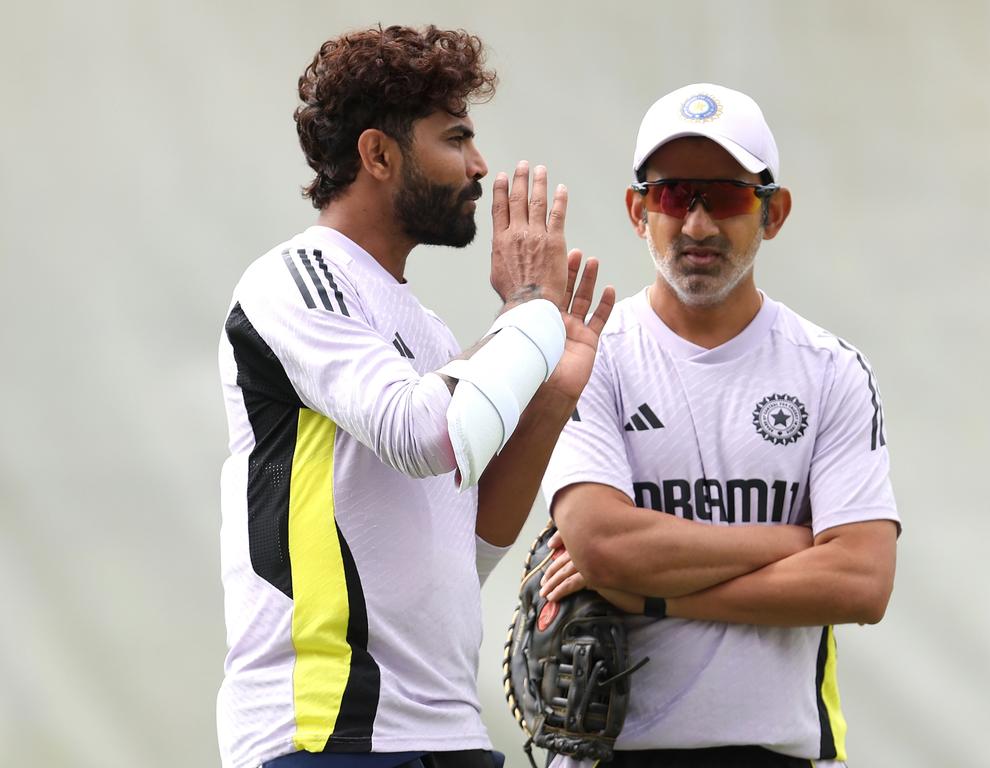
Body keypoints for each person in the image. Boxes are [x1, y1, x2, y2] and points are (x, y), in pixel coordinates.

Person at [216, 25, 614, 768]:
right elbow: (423, 435)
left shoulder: (428, 336)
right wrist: (527, 306)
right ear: (378, 154)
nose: (479, 164)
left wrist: (550, 405)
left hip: (447, 735)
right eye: (455, 137)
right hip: (327, 734)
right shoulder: (295, 278)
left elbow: (460, 556)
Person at [538, 83, 900, 768]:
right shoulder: (590, 356)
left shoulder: (830, 370)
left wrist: (657, 597)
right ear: (637, 210)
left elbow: (861, 582)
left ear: (774, 212)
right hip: (612, 754)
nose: (698, 225)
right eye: (675, 195)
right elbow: (602, 545)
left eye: (727, 196)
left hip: (777, 753)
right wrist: (797, 541)